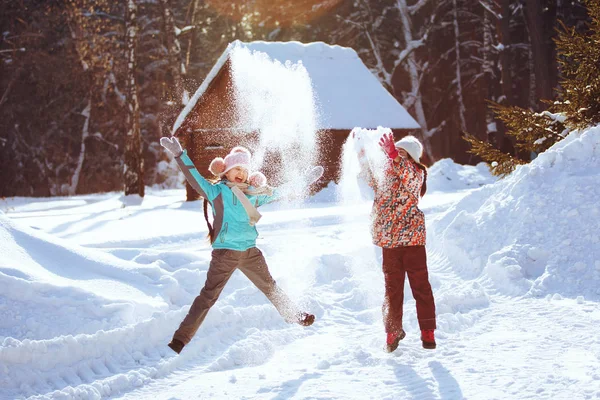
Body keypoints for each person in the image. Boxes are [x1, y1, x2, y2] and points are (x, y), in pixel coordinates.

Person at [160, 136, 322, 354]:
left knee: (269, 286)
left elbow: (281, 191)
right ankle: (180, 339)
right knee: (208, 296)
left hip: (250, 252)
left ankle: (295, 315)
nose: (241, 173)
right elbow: (195, 178)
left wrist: (305, 180)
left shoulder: (254, 194)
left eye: (245, 170)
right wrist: (180, 155)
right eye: (236, 168)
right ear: (226, 171)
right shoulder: (217, 192)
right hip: (225, 253)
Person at [358, 132, 436, 352]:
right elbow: (370, 178)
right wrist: (363, 156)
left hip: (412, 241)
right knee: (392, 290)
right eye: (395, 151)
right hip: (389, 242)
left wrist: (394, 155)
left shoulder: (416, 173)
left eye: (402, 152)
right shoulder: (388, 172)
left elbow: (408, 175)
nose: (395, 155)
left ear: (410, 157)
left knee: (421, 287)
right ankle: (393, 331)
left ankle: (427, 332)